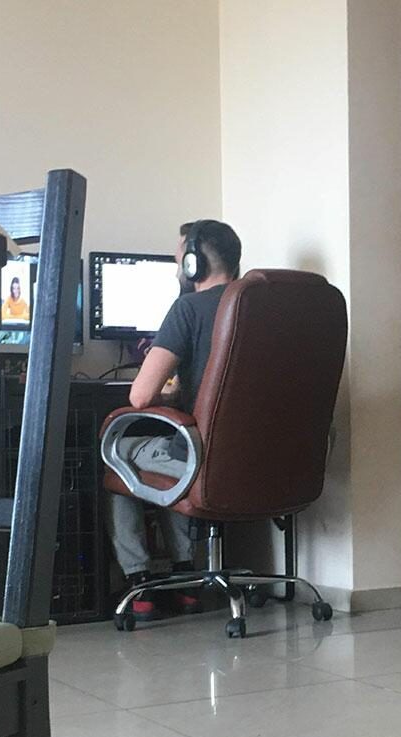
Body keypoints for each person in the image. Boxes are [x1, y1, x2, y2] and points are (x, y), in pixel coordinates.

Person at [107, 219, 242, 620]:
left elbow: (140, 396)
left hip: (204, 456)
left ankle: (139, 581)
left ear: (193, 264)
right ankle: (185, 575)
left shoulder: (188, 308)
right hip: (264, 461)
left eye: (179, 258)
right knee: (169, 451)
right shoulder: (268, 308)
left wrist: (168, 392)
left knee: (118, 451)